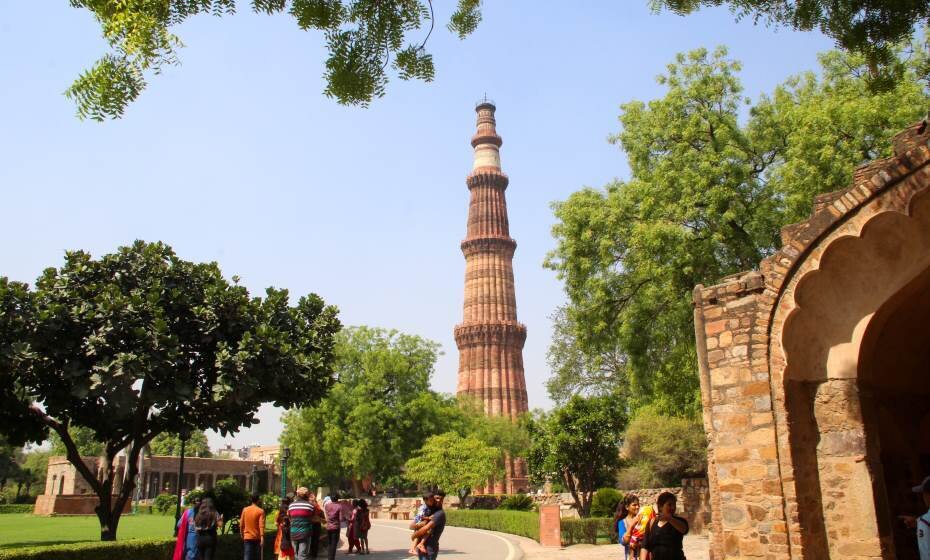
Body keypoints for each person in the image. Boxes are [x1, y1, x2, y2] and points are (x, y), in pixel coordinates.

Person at [643, 492, 688, 560]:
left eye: (674, 505)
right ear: (660, 506)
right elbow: (645, 546)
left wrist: (669, 518)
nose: (673, 507)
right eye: (669, 505)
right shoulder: (651, 522)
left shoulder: (679, 521)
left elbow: (684, 529)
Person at [900, 475, 930, 560]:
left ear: (928, 496)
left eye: (923, 494)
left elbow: (926, 555)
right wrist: (918, 522)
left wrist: (921, 523)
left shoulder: (924, 521)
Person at [411, 491, 446, 560]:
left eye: (441, 499)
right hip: (421, 550)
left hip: (429, 550)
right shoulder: (428, 510)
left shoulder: (440, 513)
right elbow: (411, 526)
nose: (439, 500)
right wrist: (419, 525)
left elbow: (425, 528)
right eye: (437, 498)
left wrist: (413, 536)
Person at [289, 487, 319, 560]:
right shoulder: (310, 506)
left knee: (296, 555)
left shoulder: (291, 505)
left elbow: (290, 519)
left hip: (293, 533)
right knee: (302, 556)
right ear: (307, 495)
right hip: (305, 534)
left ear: (297, 494)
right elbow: (314, 518)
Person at [613, 494, 641, 559]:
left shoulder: (643, 520)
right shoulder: (622, 523)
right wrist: (631, 525)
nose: (637, 507)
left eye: (638, 505)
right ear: (627, 507)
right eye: (634, 505)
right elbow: (624, 542)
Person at [174, 495, 201, 560]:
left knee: (190, 555)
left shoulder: (187, 512)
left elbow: (179, 524)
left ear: (192, 503)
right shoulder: (202, 513)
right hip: (198, 537)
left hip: (190, 537)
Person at [241, 493, 266, 560]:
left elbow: (241, 524)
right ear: (258, 500)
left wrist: (242, 534)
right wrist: (262, 536)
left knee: (247, 556)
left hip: (247, 536)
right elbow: (261, 525)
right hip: (257, 537)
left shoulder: (245, 510)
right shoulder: (260, 511)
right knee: (256, 557)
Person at [323, 495, 344, 560]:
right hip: (336, 527)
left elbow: (326, 515)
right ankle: (331, 558)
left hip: (328, 526)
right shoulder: (339, 506)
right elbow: (341, 518)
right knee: (334, 543)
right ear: (337, 499)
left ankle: (329, 557)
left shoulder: (327, 506)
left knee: (330, 543)